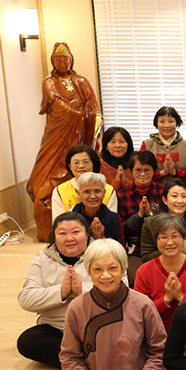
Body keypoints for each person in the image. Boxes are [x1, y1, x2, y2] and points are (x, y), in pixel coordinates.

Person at [37, 239, 170, 370]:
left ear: (123, 269)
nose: (105, 275)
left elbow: (159, 351)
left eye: (112, 268)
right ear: (89, 271)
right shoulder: (77, 307)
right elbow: (69, 356)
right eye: (97, 269)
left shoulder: (142, 304)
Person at [27, 41, 102, 241]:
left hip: (79, 135)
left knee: (80, 159)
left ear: (71, 61)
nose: (62, 63)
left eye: (65, 59)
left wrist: (92, 119)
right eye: (58, 60)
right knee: (45, 173)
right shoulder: (49, 82)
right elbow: (57, 104)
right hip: (57, 135)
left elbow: (93, 106)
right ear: (53, 62)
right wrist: (75, 113)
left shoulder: (81, 81)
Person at [17, 212, 94, 370]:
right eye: (62, 233)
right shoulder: (41, 259)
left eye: (75, 232)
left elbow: (120, 292)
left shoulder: (103, 254)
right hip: (56, 328)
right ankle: (87, 365)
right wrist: (61, 291)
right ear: (54, 236)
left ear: (87, 233)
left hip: (95, 326)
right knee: (27, 342)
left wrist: (82, 291)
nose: (69, 238)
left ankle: (74, 367)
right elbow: (26, 299)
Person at [133, 213, 186, 333]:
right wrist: (166, 299)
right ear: (156, 240)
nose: (169, 243)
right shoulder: (144, 271)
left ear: (183, 239)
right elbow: (139, 313)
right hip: (156, 333)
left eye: (175, 236)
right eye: (163, 237)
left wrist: (181, 298)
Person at [116, 150, 164, 282]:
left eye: (147, 170)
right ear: (131, 172)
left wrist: (149, 215)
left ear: (154, 171)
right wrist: (138, 216)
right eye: (138, 170)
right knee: (138, 279)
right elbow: (121, 229)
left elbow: (168, 223)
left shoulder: (162, 192)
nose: (142, 174)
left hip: (159, 248)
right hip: (134, 250)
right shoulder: (122, 195)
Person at [140, 179, 186, 263]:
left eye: (184, 196)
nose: (179, 201)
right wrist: (169, 247)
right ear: (165, 200)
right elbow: (146, 258)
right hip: (160, 268)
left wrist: (184, 245)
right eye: (174, 196)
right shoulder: (150, 223)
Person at [50, 145, 118, 221]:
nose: (81, 166)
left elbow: (112, 221)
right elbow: (57, 223)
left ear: (93, 164)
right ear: (69, 166)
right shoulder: (60, 191)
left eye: (85, 162)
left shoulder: (108, 190)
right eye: (76, 163)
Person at [142, 106, 186, 184]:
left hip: (181, 192)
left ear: (177, 123)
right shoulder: (147, 145)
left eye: (171, 121)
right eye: (162, 121)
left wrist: (175, 172)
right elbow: (140, 173)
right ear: (156, 123)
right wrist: (161, 173)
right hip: (154, 193)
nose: (166, 125)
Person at [72, 172, 124, 244]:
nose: (93, 196)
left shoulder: (114, 218)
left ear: (104, 193)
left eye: (97, 191)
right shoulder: (69, 219)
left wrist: (102, 239)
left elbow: (120, 252)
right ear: (79, 194)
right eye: (87, 192)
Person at [99, 126, 134, 191]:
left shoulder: (136, 162)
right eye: (113, 142)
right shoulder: (99, 164)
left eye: (121, 142)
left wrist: (125, 181)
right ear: (106, 146)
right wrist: (117, 181)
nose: (118, 146)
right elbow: (100, 193)